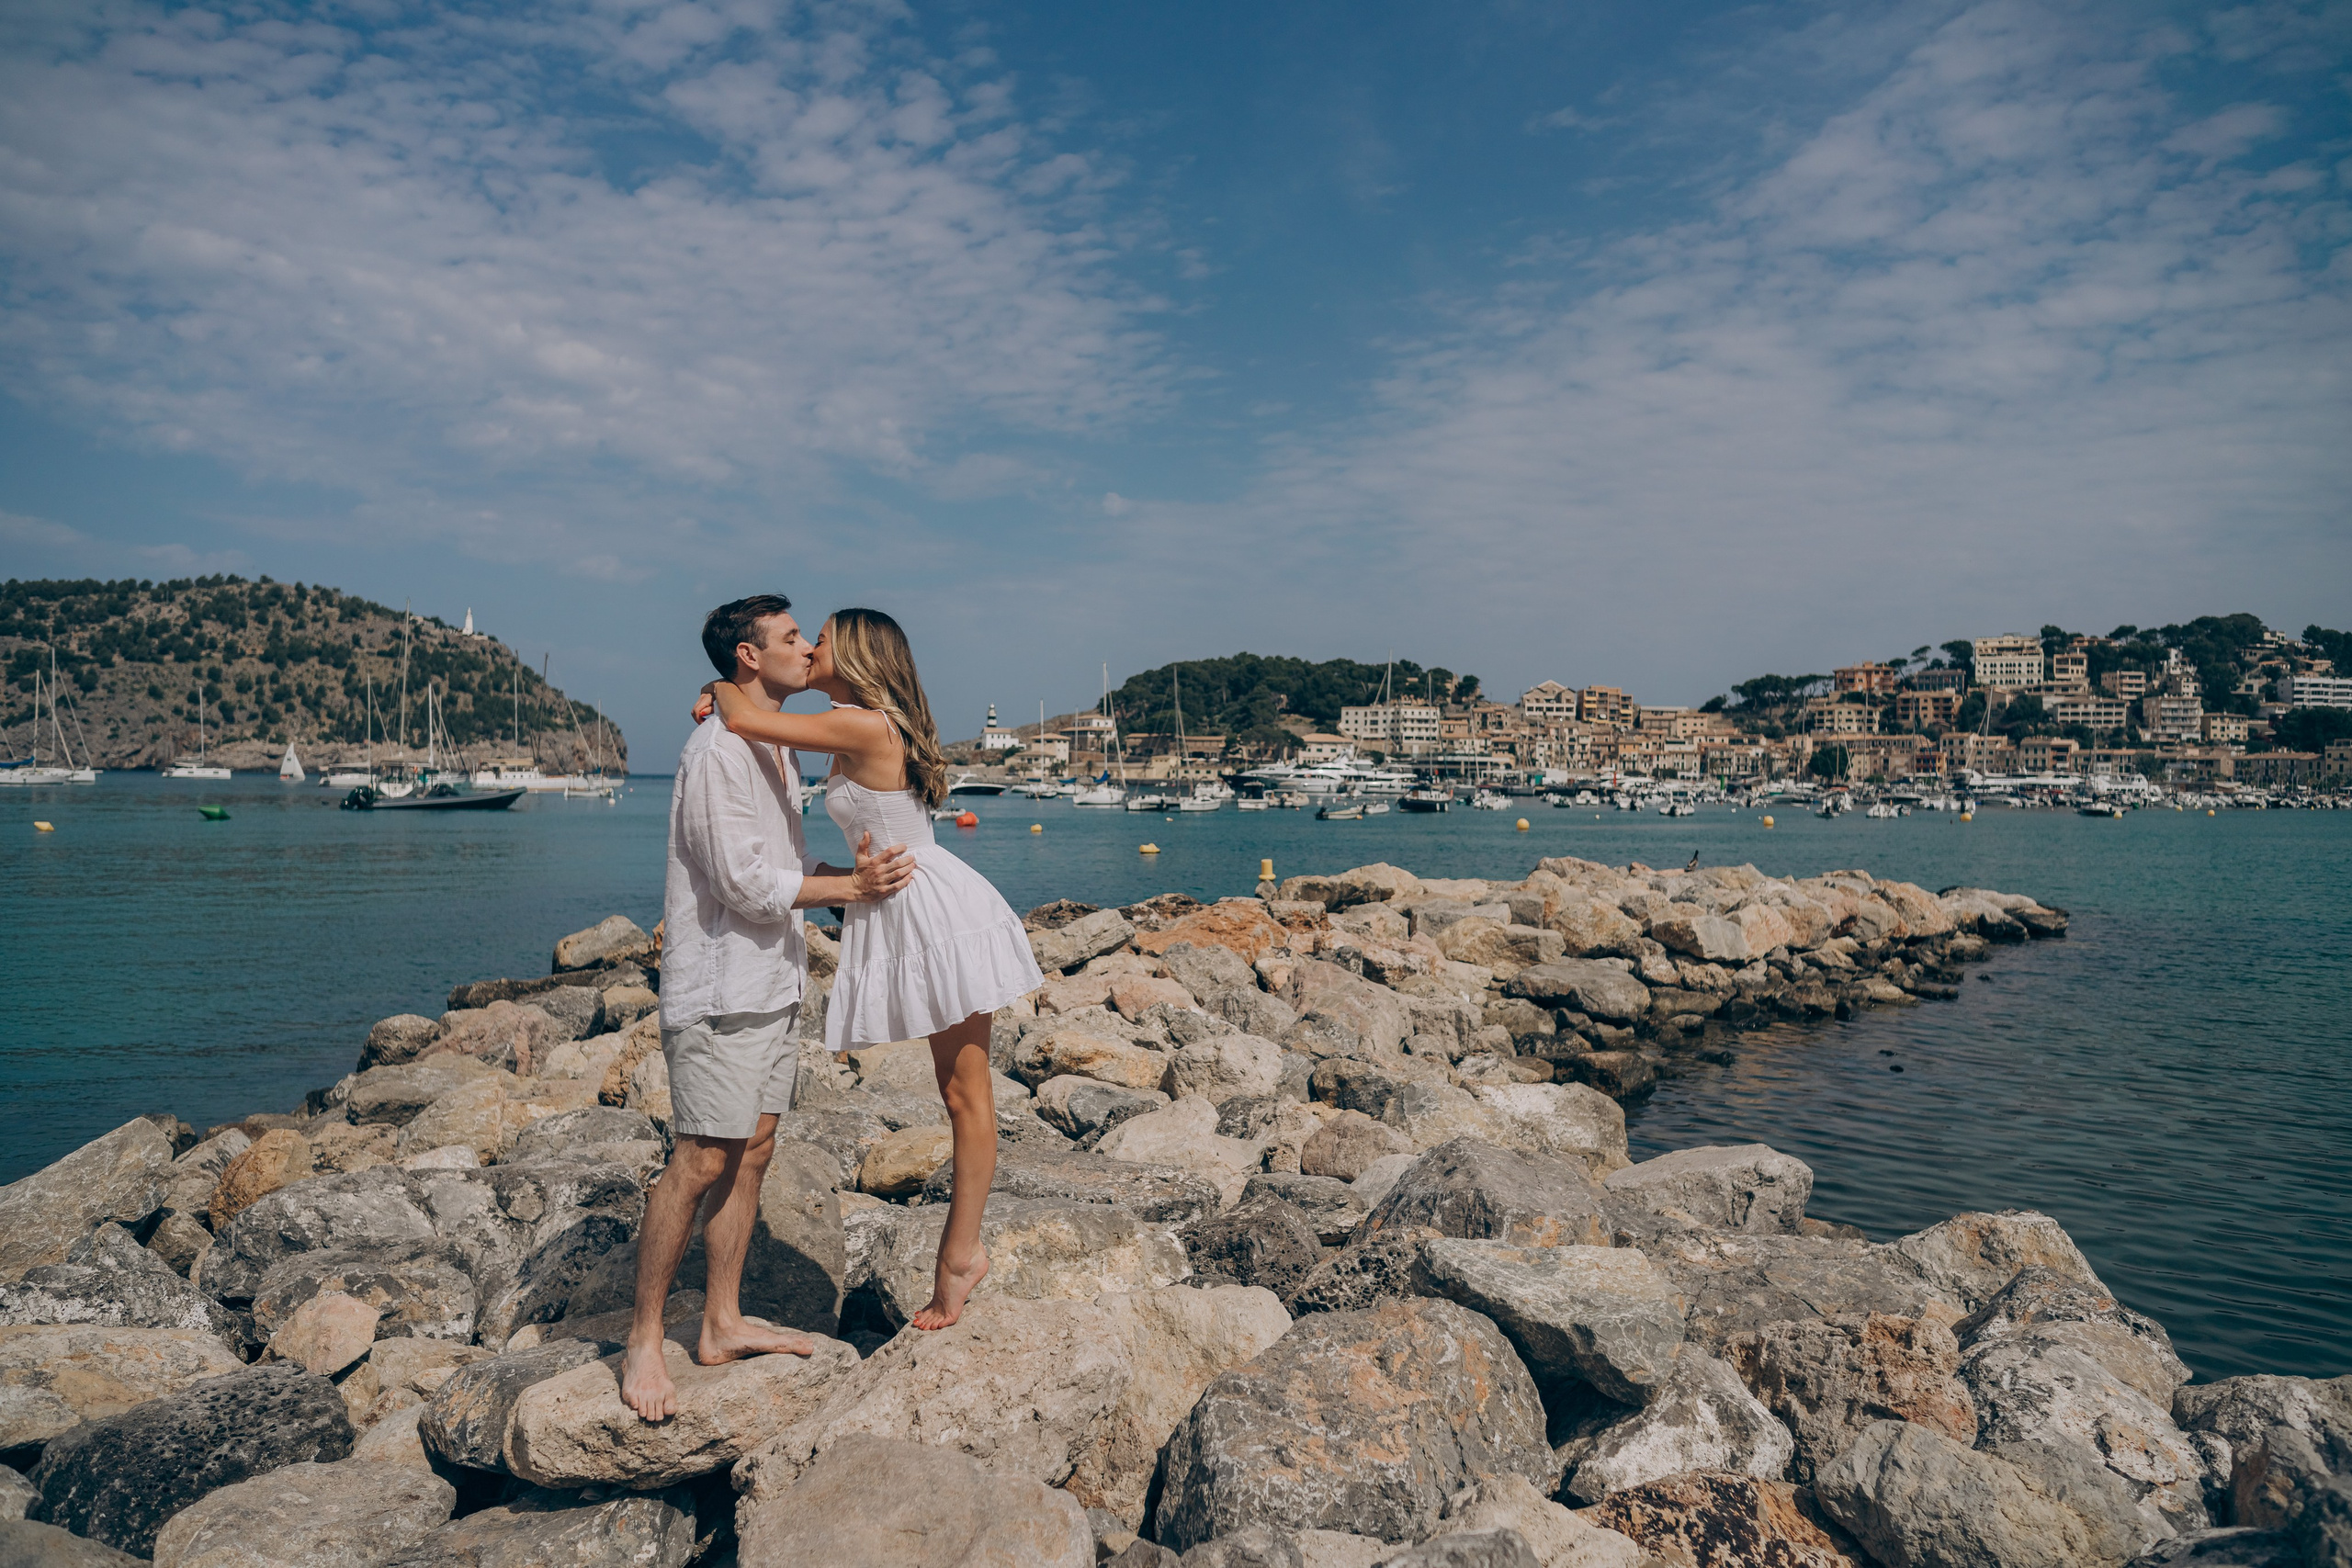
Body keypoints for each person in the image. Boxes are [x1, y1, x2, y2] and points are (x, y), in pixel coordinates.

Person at [696, 607, 1043, 1329]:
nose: (812, 648)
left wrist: (719, 687)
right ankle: (961, 1256)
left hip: (932, 909)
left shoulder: (866, 723)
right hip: (901, 902)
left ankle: (959, 1260)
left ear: (854, 654)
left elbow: (746, 721)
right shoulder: (858, 719)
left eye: (821, 638)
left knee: (967, 1094)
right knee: (959, 1092)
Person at [621, 594, 916, 1423]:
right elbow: (743, 885)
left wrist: (844, 882)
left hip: (772, 981)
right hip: (717, 986)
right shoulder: (716, 748)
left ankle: (719, 1318)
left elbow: (779, 861)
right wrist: (848, 888)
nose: (806, 647)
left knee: (752, 1150)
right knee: (700, 1158)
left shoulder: (769, 747)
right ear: (749, 657)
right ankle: (645, 1337)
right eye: (792, 638)